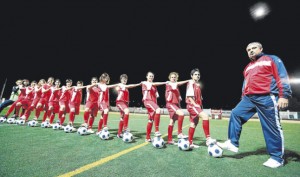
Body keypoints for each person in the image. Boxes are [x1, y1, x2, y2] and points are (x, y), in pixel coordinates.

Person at [217, 42, 292, 168]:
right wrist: (243, 98)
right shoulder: (247, 67)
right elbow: (245, 84)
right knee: (235, 113)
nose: (251, 51)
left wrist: (284, 95)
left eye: (253, 48)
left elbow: (282, 76)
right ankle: (232, 143)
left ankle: (277, 158)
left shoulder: (271, 59)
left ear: (261, 49)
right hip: (249, 98)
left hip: (266, 97)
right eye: (248, 50)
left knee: (271, 126)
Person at [186, 68, 216, 149]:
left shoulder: (197, 85)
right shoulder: (191, 83)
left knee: (193, 124)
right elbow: (189, 96)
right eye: (195, 74)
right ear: (191, 76)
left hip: (195, 106)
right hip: (192, 105)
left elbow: (198, 97)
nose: (197, 76)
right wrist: (195, 104)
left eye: (198, 74)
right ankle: (208, 139)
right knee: (205, 116)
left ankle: (190, 143)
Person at [141, 71, 166, 142]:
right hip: (148, 101)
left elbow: (157, 96)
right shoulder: (145, 83)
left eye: (152, 76)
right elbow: (148, 89)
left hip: (153, 102)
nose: (151, 77)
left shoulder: (154, 85)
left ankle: (147, 138)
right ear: (146, 77)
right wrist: (165, 82)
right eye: (150, 76)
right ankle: (157, 131)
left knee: (150, 120)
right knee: (158, 110)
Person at [165, 72, 189, 145]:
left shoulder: (176, 86)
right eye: (172, 77)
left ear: (176, 78)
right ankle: (180, 133)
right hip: (170, 104)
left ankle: (169, 140)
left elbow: (177, 90)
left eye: (174, 77)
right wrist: (188, 80)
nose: (173, 78)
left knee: (172, 121)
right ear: (169, 78)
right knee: (181, 114)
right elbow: (178, 84)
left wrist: (179, 97)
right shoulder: (169, 84)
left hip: (176, 104)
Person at [114, 74, 140, 138]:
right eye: (123, 79)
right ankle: (125, 128)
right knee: (127, 111)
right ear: (121, 80)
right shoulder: (121, 85)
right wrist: (138, 84)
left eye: (126, 79)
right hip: (120, 102)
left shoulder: (125, 88)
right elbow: (131, 86)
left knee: (122, 117)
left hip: (125, 103)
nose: (124, 80)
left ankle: (119, 133)